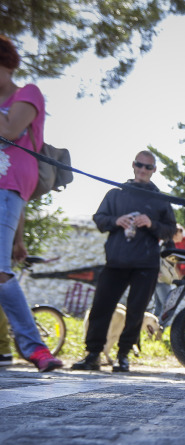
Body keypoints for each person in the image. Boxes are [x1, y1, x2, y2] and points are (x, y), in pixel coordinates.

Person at [71, 150, 177, 372]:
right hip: (116, 261)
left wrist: (151, 223)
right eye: (140, 165)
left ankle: (123, 356)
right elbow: (99, 219)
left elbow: (171, 230)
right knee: (101, 307)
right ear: (133, 165)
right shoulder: (115, 193)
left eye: (148, 167)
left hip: (146, 264)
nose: (143, 170)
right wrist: (115, 220)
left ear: (154, 170)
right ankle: (92, 355)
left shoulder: (160, 199)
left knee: (136, 311)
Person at [0, 35, 63, 372]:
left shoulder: (28, 94)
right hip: (8, 196)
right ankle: (35, 348)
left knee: (0, 273)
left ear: (6, 63)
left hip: (7, 189)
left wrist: (19, 235)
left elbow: (10, 131)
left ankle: (35, 348)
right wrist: (20, 238)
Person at [152, 223, 184, 318]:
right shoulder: (169, 243)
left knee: (158, 307)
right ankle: (160, 330)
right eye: (182, 233)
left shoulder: (165, 241)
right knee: (168, 308)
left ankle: (150, 329)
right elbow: (163, 258)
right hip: (162, 277)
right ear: (177, 232)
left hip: (158, 277)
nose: (182, 236)